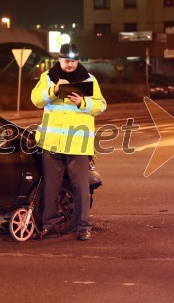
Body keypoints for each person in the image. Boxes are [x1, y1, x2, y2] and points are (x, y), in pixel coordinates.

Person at [30, 43, 106, 241]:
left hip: (77, 143)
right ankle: (49, 224)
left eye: (73, 60)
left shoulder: (89, 80)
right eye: (66, 60)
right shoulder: (47, 78)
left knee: (81, 187)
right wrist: (54, 90)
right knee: (51, 186)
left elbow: (101, 106)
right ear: (59, 59)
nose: (70, 64)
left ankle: (83, 226)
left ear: (77, 60)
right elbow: (36, 100)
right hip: (52, 142)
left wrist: (82, 103)